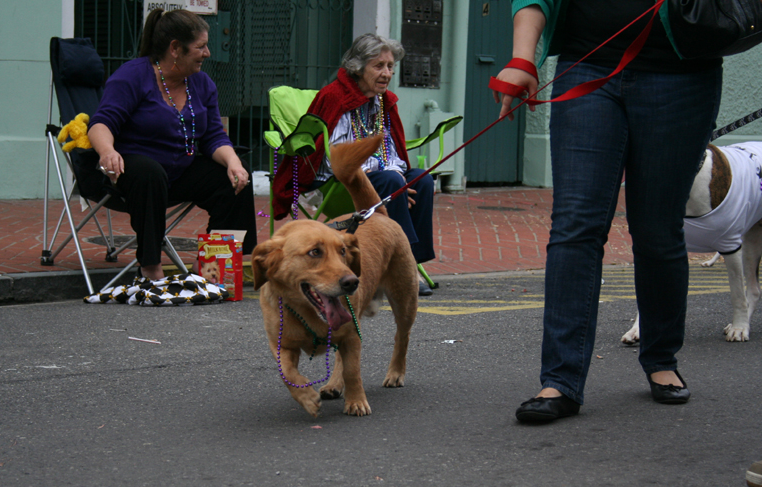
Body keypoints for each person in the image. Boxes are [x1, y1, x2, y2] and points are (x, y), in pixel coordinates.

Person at [492, 1, 723, 422]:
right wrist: (523, 57)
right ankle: (560, 380)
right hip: (587, 66)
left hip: (683, 75)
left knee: (657, 230)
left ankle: (661, 358)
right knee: (575, 225)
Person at [81, 8, 257, 281]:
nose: (208, 53)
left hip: (177, 171)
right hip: (130, 171)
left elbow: (213, 136)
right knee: (150, 173)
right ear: (175, 48)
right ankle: (151, 268)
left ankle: (213, 268)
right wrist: (107, 151)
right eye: (200, 47)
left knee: (233, 177)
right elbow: (101, 123)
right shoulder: (132, 76)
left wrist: (233, 161)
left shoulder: (202, 84)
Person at [271, 33, 436, 296]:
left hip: (379, 176)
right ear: (359, 67)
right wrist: (392, 180)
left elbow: (389, 147)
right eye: (378, 66)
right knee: (392, 182)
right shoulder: (336, 96)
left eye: (390, 66)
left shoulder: (382, 101)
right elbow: (336, 155)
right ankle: (403, 272)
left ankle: (410, 261)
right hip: (338, 181)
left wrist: (398, 175)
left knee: (423, 180)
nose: (386, 73)